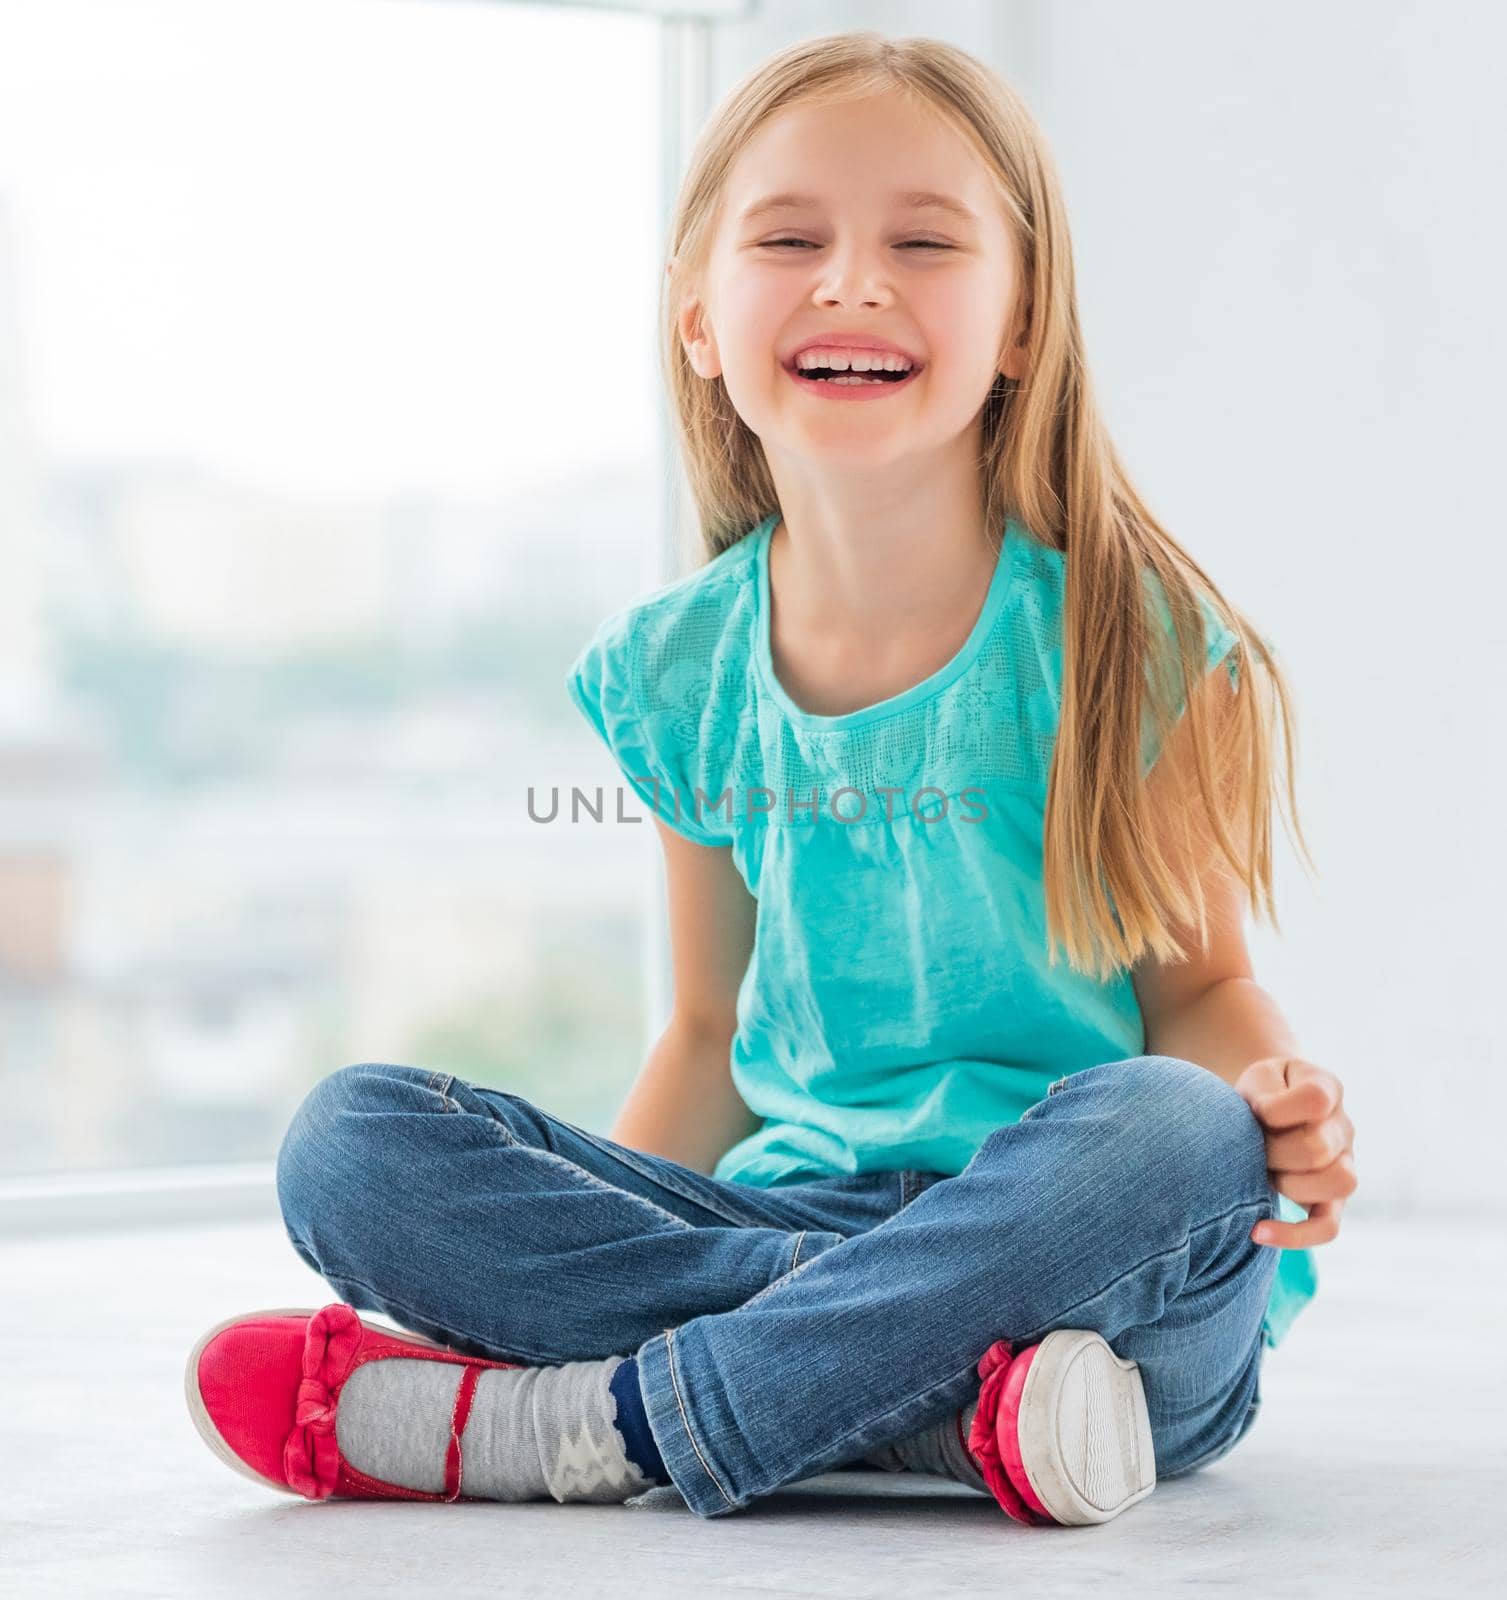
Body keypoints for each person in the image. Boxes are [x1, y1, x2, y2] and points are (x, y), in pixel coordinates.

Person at [184, 30, 1356, 1528]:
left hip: (1097, 1272)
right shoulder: (677, 673)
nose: (854, 281)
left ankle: (614, 1420)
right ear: (697, 319)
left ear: (1021, 321)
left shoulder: (1129, 641)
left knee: (1175, 1130)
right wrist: (577, 1229)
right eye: (791, 238)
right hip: (835, 1237)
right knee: (350, 1150)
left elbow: (1199, 997)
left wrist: (1273, 1106)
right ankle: (937, 1414)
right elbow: (703, 1031)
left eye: (923, 243)